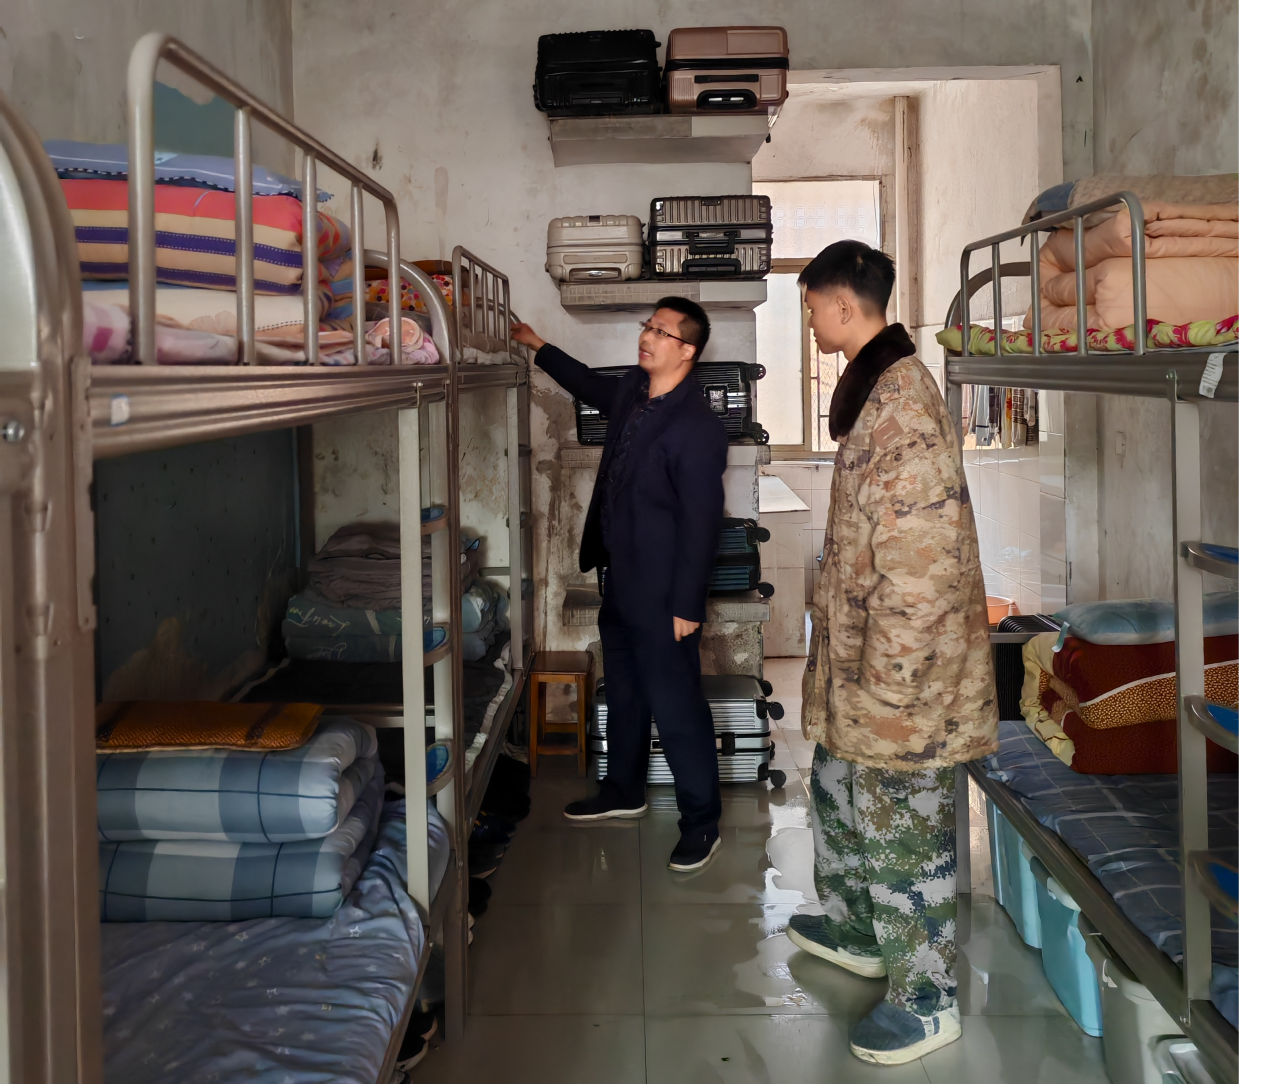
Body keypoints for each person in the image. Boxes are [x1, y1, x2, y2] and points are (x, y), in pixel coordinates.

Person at [783, 241, 997, 1065]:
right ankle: (860, 931)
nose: (809, 322)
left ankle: (927, 999)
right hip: (861, 666)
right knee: (837, 786)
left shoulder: (902, 406)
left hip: (900, 679)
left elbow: (920, 569)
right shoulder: (874, 391)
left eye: (812, 307)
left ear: (843, 306)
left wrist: (892, 689)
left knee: (902, 829)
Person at [510, 299, 729, 872]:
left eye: (661, 331)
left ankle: (701, 823)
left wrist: (687, 604)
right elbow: (587, 383)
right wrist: (536, 345)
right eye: (647, 326)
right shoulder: (634, 390)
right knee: (626, 692)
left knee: (676, 706)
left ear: (687, 350)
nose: (647, 336)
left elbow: (702, 523)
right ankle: (623, 790)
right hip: (620, 576)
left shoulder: (698, 428)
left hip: (664, 594)